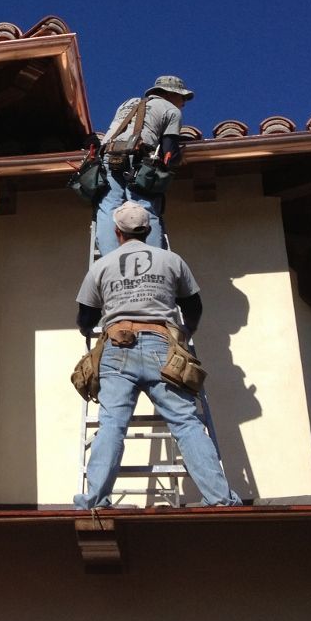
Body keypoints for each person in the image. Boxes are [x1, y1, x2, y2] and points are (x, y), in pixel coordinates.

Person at [73, 201, 240, 509]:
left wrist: (88, 332)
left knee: (111, 424)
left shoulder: (101, 266)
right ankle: (218, 499)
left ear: (116, 232)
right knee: (186, 423)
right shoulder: (172, 261)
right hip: (162, 346)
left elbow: (85, 316)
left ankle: (94, 501)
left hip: (116, 347)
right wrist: (187, 332)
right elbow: (193, 307)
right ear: (148, 230)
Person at [94, 75, 193, 256]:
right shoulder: (171, 110)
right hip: (139, 157)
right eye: (182, 97)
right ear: (170, 94)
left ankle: (110, 257)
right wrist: (178, 159)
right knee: (144, 206)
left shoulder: (128, 103)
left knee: (108, 207)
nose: (183, 103)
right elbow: (169, 151)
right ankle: (152, 259)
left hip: (108, 155)